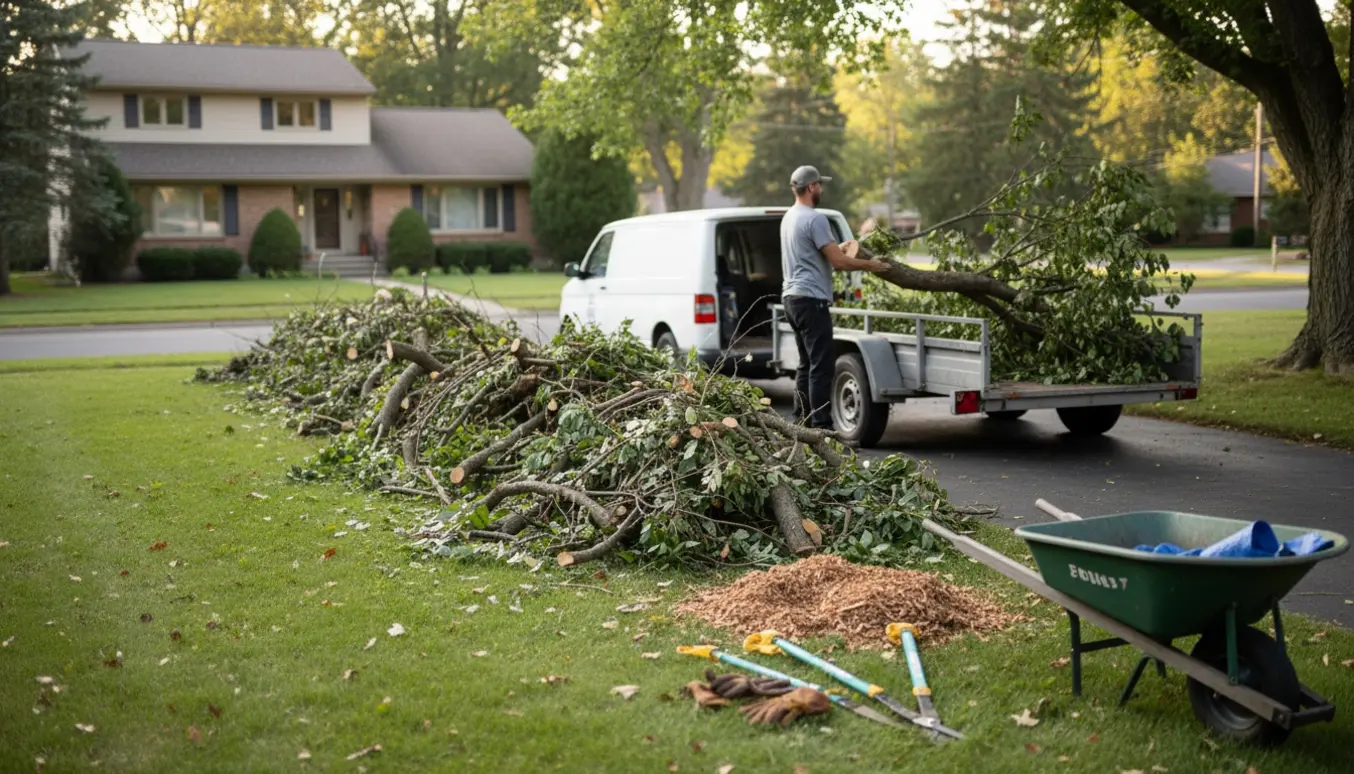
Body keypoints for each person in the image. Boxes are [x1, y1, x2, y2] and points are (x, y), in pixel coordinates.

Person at [780, 165, 890, 430]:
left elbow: (815, 253)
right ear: (811, 188)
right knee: (822, 366)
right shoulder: (815, 218)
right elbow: (839, 263)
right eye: (819, 185)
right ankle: (822, 427)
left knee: (806, 364)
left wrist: (835, 250)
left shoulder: (789, 217)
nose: (821, 189)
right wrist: (870, 265)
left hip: (791, 299)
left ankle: (800, 420)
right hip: (811, 300)